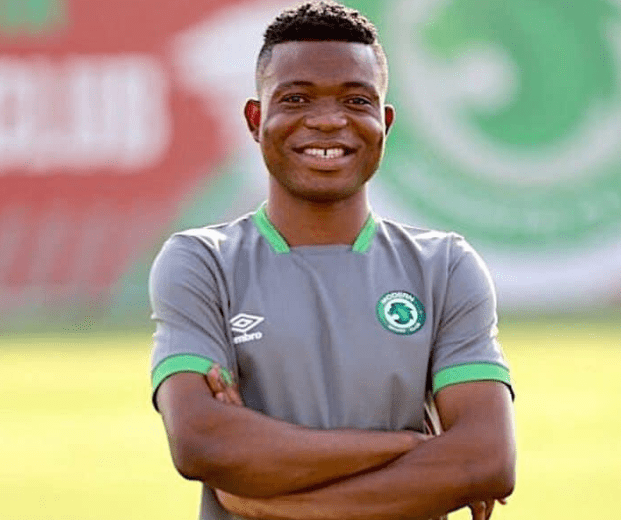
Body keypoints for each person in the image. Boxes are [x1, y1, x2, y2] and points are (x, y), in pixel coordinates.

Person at [148, 2, 516, 519]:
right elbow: (201, 443)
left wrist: (271, 502)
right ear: (256, 119)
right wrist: (412, 446)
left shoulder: (444, 266)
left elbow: (487, 460)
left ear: (384, 122)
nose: (327, 120)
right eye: (296, 98)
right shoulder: (203, 262)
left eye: (356, 100)